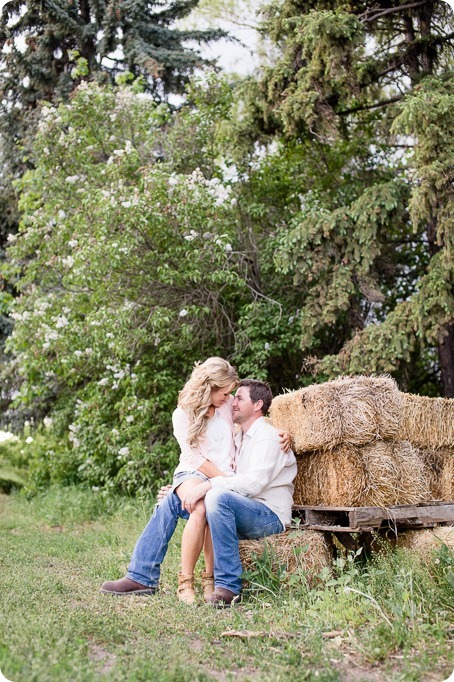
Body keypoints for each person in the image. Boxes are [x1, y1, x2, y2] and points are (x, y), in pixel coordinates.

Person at [100, 360, 291, 603]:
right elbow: (192, 457)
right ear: (210, 388)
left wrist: (286, 433)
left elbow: (258, 418)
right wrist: (208, 484)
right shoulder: (182, 414)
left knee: (176, 501)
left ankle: (144, 576)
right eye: (225, 393)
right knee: (201, 505)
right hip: (194, 473)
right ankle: (182, 582)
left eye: (233, 395)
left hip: (220, 484)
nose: (231, 398)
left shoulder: (226, 408)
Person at [179, 378, 297, 607]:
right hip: (249, 508)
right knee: (207, 500)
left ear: (257, 405)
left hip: (270, 515)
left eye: (240, 398)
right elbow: (232, 476)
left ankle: (228, 586)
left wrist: (209, 485)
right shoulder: (240, 436)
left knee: (216, 496)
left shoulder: (268, 436)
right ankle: (202, 579)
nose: (232, 403)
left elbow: (253, 484)